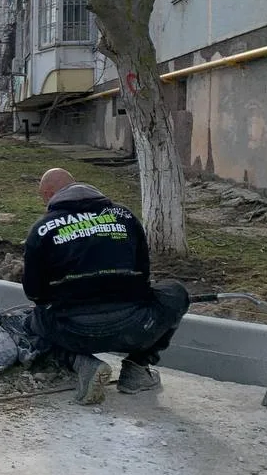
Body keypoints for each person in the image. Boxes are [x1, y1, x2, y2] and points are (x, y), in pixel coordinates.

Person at [22, 168, 190, 405]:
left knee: (30, 322)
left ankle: (80, 362)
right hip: (135, 326)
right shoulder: (126, 217)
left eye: (43, 198)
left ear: (50, 194)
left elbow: (34, 293)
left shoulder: (42, 229)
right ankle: (137, 368)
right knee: (176, 292)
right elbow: (143, 275)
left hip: (73, 332)